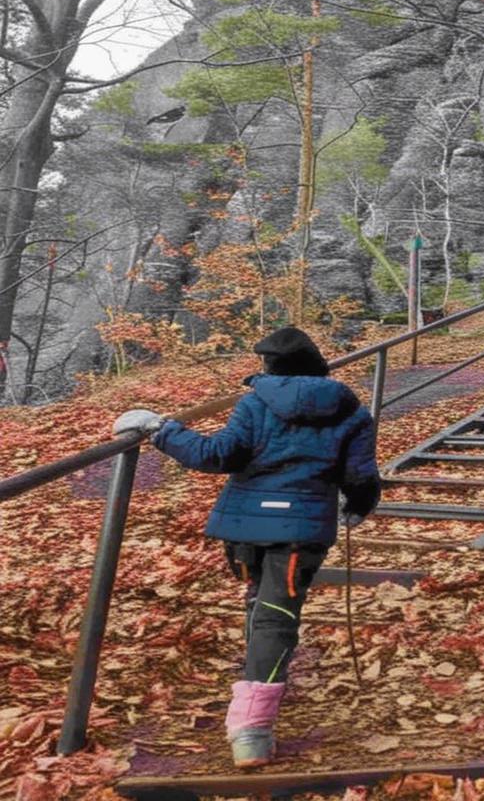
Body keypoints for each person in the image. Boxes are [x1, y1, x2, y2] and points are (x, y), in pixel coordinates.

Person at [112, 326, 381, 769]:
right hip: (302, 530)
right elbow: (361, 477)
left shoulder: (257, 401)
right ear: (319, 366)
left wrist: (160, 428)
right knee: (277, 618)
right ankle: (252, 728)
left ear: (269, 368)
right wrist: (359, 506)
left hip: (245, 527)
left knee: (260, 608)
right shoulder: (352, 413)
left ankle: (256, 695)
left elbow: (219, 455)